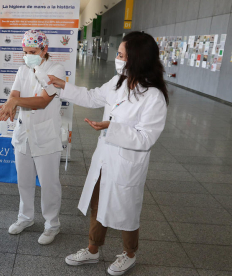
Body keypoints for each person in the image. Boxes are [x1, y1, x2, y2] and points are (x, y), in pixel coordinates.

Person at [48, 31, 169, 275]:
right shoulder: (118, 82)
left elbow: (146, 138)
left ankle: (130, 254)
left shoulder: (153, 96)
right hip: (105, 157)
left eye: (122, 55)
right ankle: (93, 250)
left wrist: (112, 128)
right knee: (97, 202)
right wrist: (64, 87)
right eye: (118, 54)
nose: (118, 58)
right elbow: (93, 97)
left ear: (137, 58)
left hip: (127, 162)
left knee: (126, 208)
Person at [0, 30, 66, 245]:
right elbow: (15, 94)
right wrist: (9, 103)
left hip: (46, 136)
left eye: (33, 51)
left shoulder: (56, 69)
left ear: (45, 50)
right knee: (24, 181)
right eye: (25, 51)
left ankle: (52, 224)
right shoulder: (22, 69)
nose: (28, 55)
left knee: (49, 184)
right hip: (23, 134)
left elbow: (43, 101)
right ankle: (25, 218)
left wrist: (15, 103)